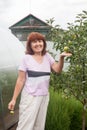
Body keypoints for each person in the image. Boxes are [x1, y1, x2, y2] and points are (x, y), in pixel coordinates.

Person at [8, 32, 72, 130]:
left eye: (40, 41)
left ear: (43, 43)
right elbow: (21, 80)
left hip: (44, 96)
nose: (38, 44)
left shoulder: (47, 57)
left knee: (39, 126)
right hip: (30, 97)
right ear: (30, 45)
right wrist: (13, 99)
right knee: (25, 126)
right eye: (34, 42)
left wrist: (61, 58)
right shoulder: (26, 59)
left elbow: (57, 70)